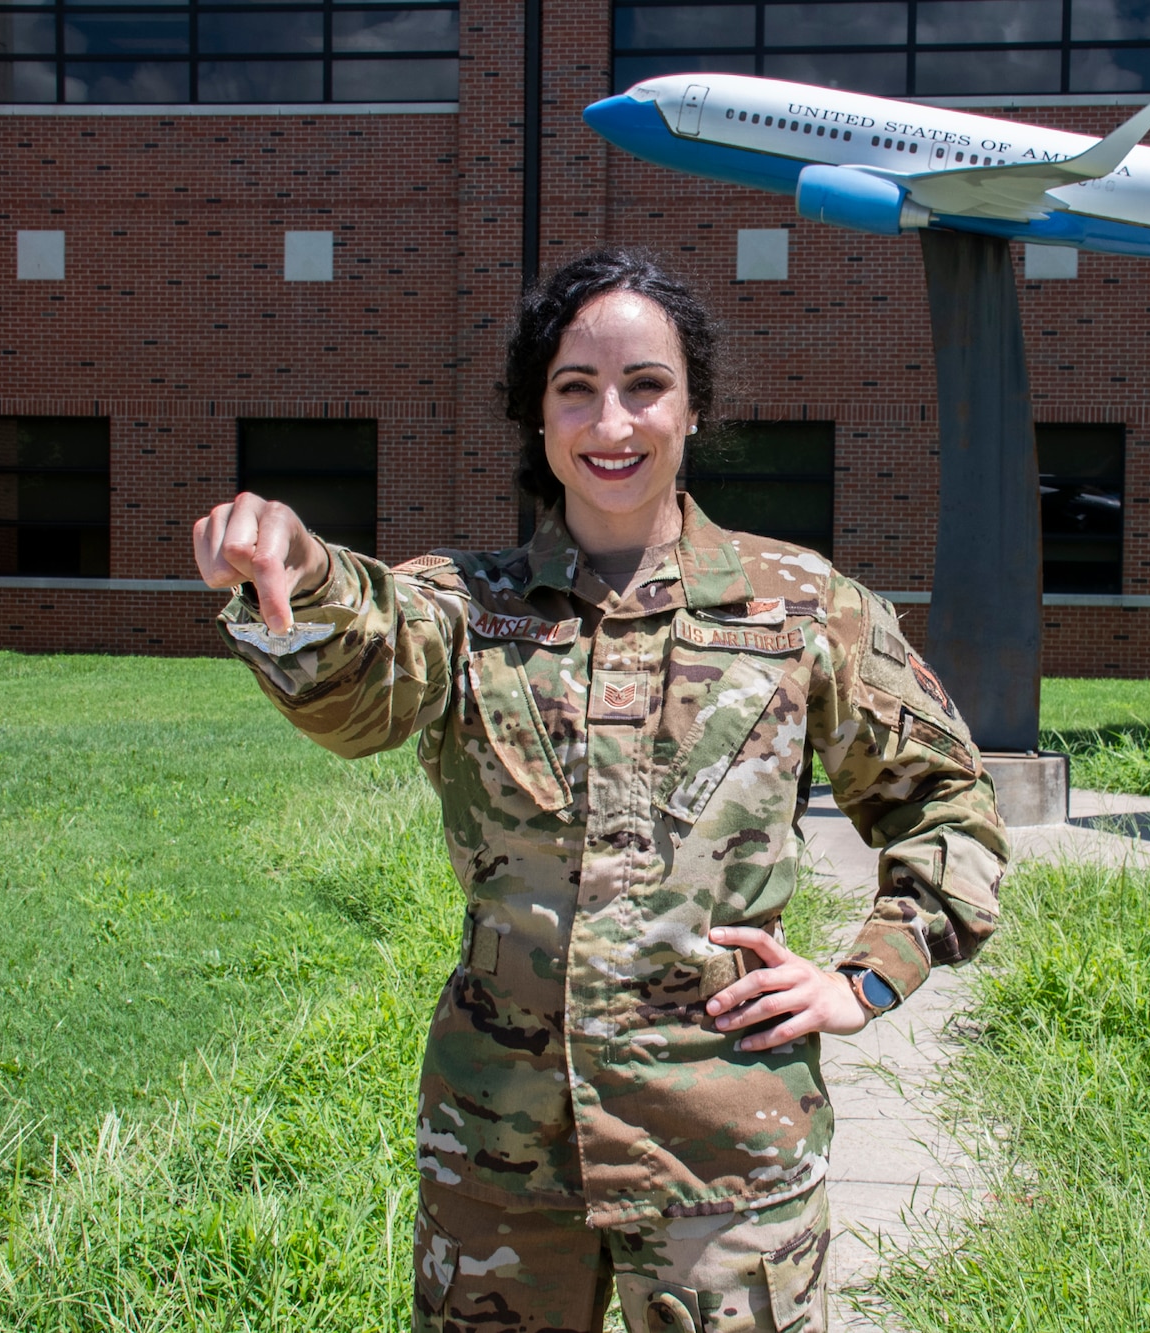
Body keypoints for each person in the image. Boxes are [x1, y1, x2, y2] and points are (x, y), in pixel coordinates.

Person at [193, 247, 1008, 1333]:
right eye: (574, 389)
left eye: (644, 386)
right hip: (501, 1153)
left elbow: (943, 803)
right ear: (536, 418)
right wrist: (294, 567)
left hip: (726, 1152)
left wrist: (863, 980)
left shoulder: (803, 607)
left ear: (693, 406)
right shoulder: (463, 604)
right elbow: (362, 686)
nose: (610, 422)